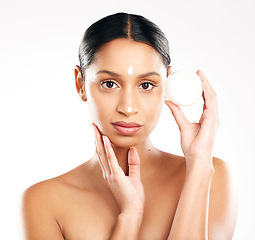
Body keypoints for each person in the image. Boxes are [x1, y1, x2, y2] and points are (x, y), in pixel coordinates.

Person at [20, 12, 238, 240]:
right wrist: (130, 216)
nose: (128, 107)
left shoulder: (212, 176)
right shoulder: (42, 202)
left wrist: (199, 165)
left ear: (167, 83)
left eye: (146, 84)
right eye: (109, 83)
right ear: (80, 83)